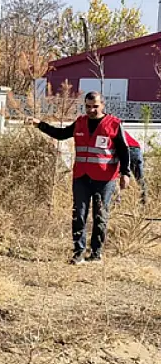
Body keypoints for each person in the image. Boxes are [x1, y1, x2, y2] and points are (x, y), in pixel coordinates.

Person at [28, 91, 131, 264]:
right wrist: (40, 125)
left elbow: (124, 151)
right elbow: (61, 134)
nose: (91, 110)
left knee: (100, 215)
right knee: (79, 214)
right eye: (88, 106)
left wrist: (125, 173)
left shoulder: (114, 124)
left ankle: (96, 253)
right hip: (82, 176)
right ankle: (79, 252)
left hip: (105, 178)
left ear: (103, 105)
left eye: (95, 106)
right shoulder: (80, 123)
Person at [124, 130, 148, 205]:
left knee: (114, 177)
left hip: (128, 149)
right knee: (140, 178)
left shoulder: (108, 126)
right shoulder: (115, 125)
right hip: (136, 149)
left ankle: (117, 201)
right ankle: (144, 201)